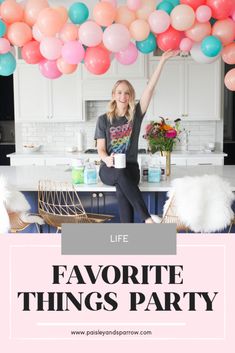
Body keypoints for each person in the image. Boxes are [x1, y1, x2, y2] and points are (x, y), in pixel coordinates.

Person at [94, 50, 179, 223]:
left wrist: (162, 60)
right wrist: (107, 159)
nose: (123, 96)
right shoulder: (103, 120)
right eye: (119, 92)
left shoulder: (135, 116)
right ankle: (147, 218)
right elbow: (101, 149)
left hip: (131, 168)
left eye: (127, 93)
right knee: (119, 176)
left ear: (131, 96)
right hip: (108, 169)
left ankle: (129, 237)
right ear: (113, 95)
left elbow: (150, 88)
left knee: (121, 189)